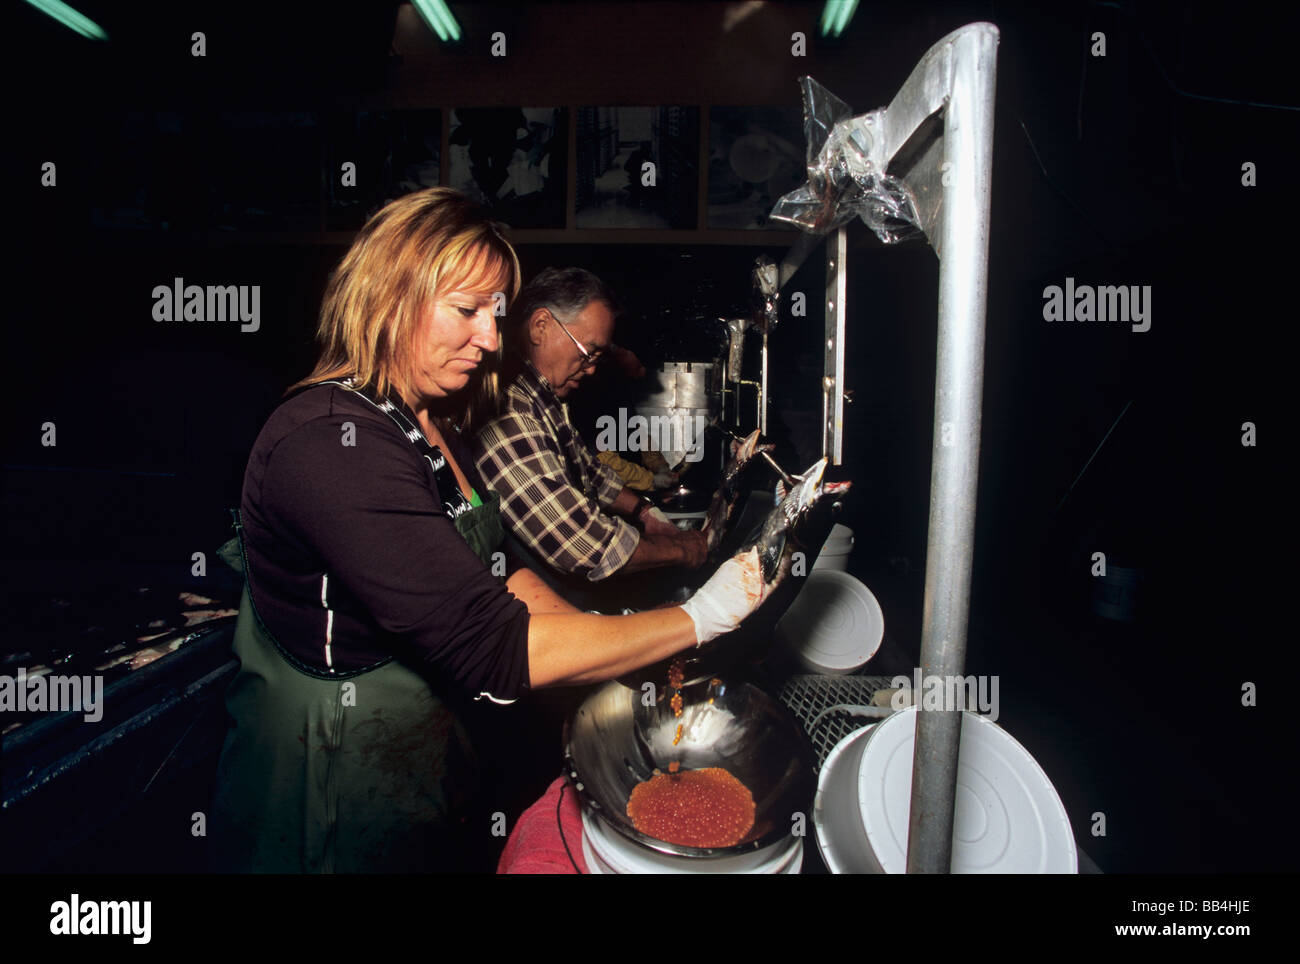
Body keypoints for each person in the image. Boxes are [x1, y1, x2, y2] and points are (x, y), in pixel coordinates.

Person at [209, 188, 770, 873]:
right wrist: (699, 618)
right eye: (467, 312)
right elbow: (498, 645)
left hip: (416, 753)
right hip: (328, 777)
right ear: (390, 297)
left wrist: (615, 667)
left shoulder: (433, 424)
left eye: (495, 315)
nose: (490, 338)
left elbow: (505, 573)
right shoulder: (332, 443)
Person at [472, 268, 707, 609]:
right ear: (541, 326)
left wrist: (644, 511)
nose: (593, 368)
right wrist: (682, 550)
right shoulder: (511, 411)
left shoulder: (547, 400)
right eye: (588, 352)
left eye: (598, 357)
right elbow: (584, 546)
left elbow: (592, 474)